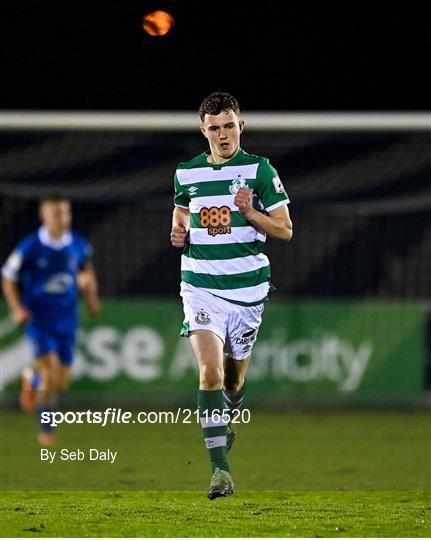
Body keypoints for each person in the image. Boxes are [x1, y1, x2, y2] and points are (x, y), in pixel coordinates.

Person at [170, 92, 293, 499]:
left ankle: (226, 414)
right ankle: (220, 471)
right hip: (200, 285)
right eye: (214, 127)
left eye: (229, 125)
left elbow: (285, 229)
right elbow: (183, 208)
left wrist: (252, 213)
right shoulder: (186, 173)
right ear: (203, 130)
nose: (222, 134)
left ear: (241, 124)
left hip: (247, 291)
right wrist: (180, 229)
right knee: (209, 371)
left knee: (234, 382)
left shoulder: (259, 170)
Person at [1, 195, 100, 445]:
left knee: (61, 381)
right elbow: (8, 276)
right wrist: (16, 308)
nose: (62, 218)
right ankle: (46, 431)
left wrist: (91, 299)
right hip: (39, 318)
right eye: (56, 213)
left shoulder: (78, 244)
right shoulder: (31, 246)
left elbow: (87, 273)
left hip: (67, 319)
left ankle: (32, 379)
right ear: (43, 216)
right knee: (52, 372)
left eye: (65, 213)